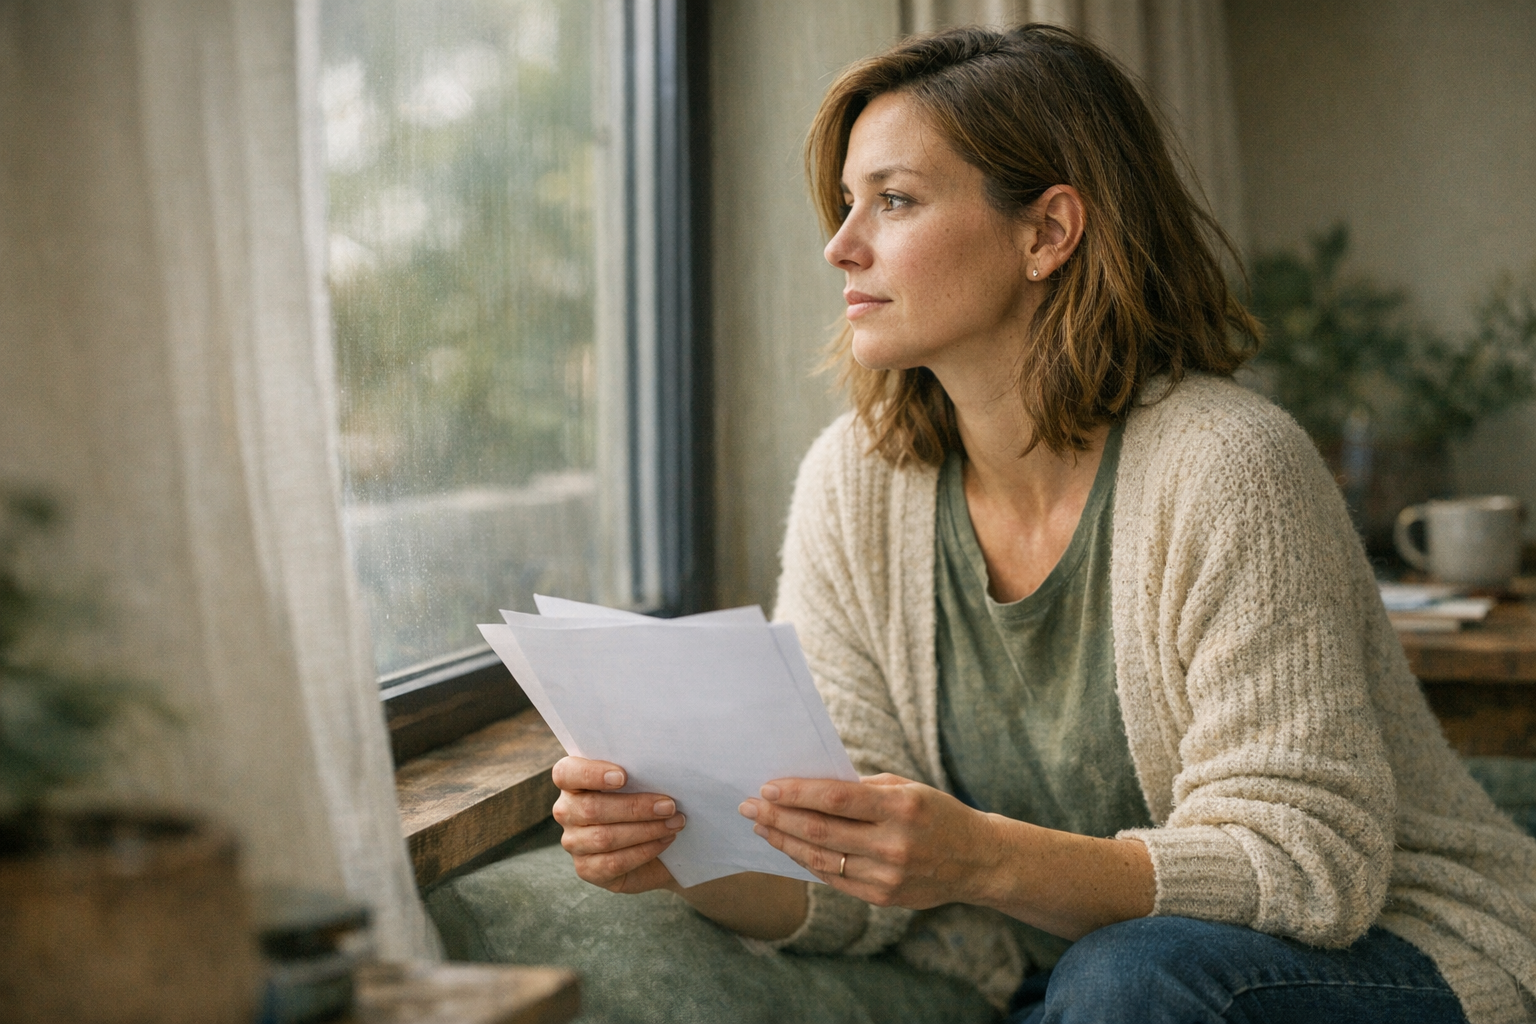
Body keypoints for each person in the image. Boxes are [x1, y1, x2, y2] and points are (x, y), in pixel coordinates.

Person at [531, 24, 1536, 1023]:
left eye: (895, 200)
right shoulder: (855, 484)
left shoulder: (1231, 465)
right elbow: (855, 882)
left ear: (1048, 231)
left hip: (1396, 952)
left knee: (1123, 978)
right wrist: (681, 857)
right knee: (1106, 981)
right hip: (1088, 989)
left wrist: (982, 856)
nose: (842, 245)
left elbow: (1308, 863)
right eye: (847, 204)